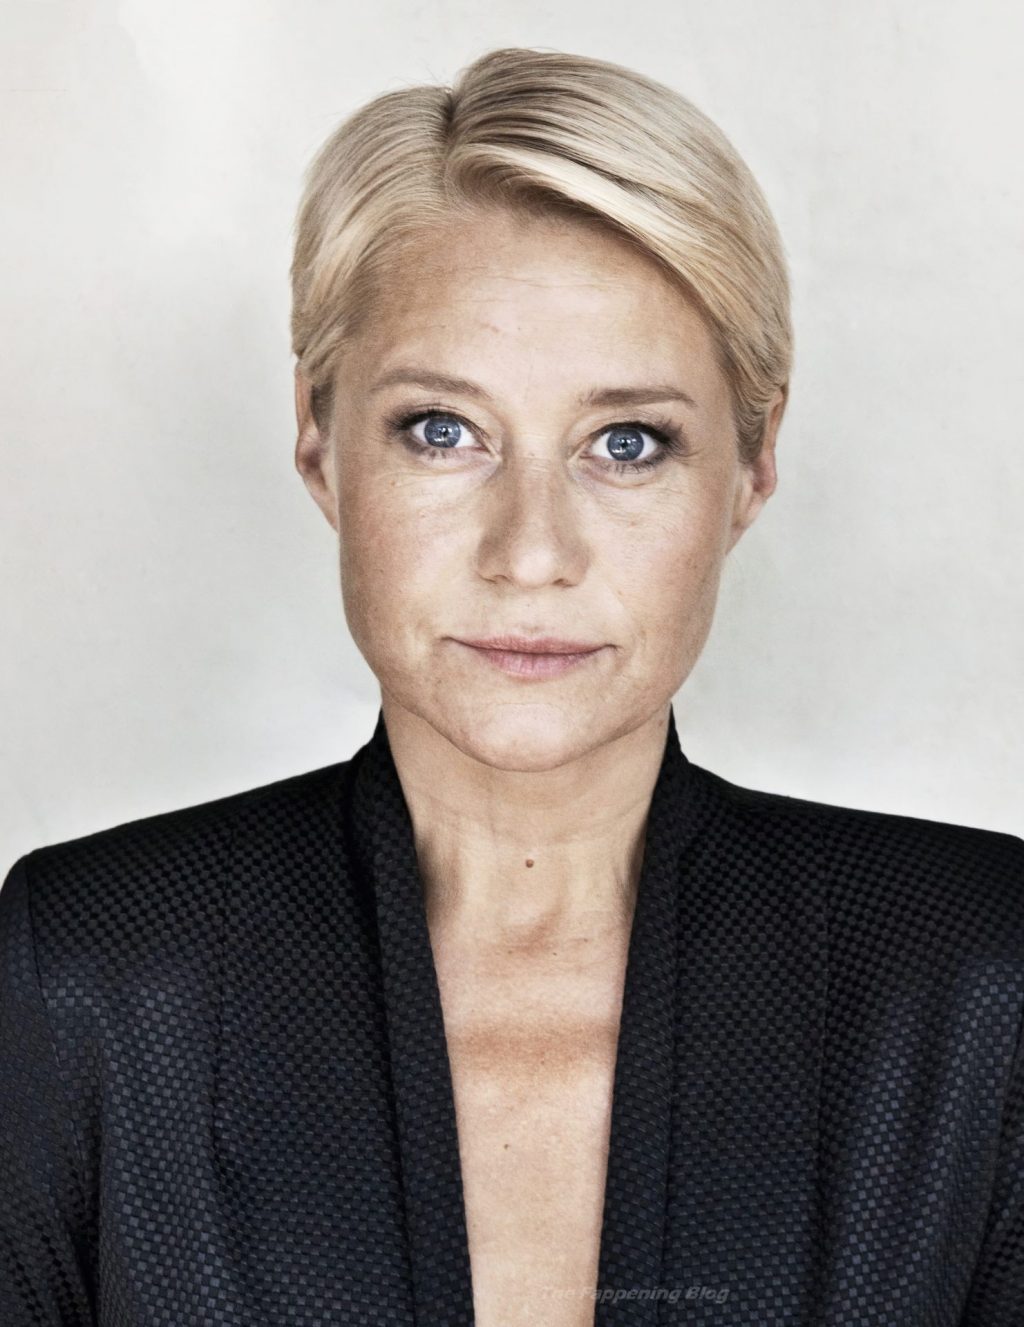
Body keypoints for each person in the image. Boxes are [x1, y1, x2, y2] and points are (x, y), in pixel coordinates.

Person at [1, 44, 1022, 1327]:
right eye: (443, 431)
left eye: (627, 442)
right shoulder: (88, 974)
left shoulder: (975, 981)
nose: (530, 552)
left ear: (752, 467)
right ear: (318, 442)